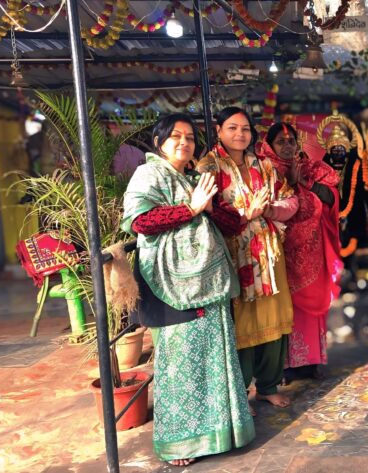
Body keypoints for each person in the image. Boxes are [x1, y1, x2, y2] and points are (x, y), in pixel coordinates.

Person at [122, 113, 253, 466]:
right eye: (176, 136)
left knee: (214, 359)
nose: (184, 142)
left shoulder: (196, 178)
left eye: (190, 137)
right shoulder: (148, 175)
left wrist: (207, 207)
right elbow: (140, 222)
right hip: (171, 282)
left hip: (209, 282)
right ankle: (180, 443)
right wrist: (190, 208)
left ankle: (221, 432)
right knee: (180, 364)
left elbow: (233, 223)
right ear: (159, 142)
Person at [196, 107, 295, 410]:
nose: (240, 134)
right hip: (232, 255)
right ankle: (239, 394)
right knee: (240, 323)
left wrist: (270, 210)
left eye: (245, 129)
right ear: (218, 130)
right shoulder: (208, 166)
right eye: (232, 127)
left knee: (272, 316)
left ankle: (267, 386)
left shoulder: (263, 164)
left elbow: (289, 197)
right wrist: (245, 214)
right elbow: (207, 211)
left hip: (267, 253)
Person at [262, 123, 343, 380]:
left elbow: (331, 198)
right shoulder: (264, 171)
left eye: (291, 141)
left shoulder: (311, 168)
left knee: (311, 308)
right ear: (269, 145)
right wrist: (290, 185)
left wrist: (304, 183)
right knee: (284, 306)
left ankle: (311, 361)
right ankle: (285, 366)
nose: (287, 146)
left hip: (311, 251)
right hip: (280, 251)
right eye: (280, 142)